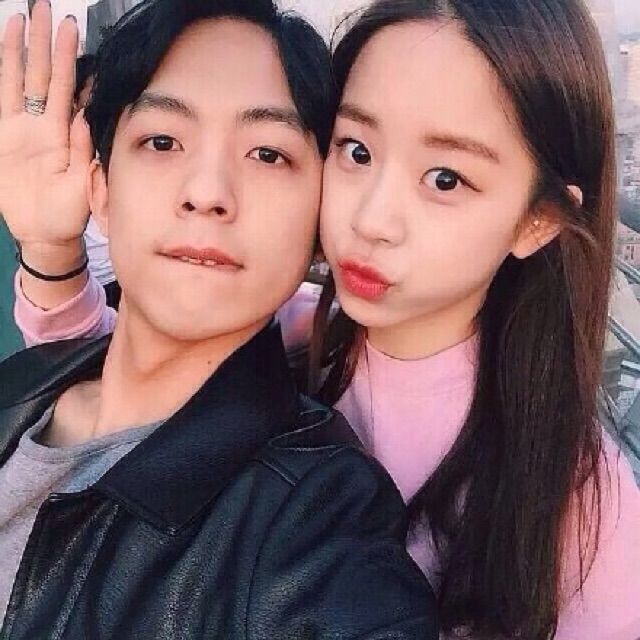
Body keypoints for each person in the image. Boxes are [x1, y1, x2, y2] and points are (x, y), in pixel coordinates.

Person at [8, 0, 640, 638]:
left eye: (446, 179)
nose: (372, 219)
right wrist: (51, 250)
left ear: (538, 219)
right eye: (357, 151)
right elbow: (125, 390)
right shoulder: (293, 336)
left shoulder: (588, 502)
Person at [0, 1, 439, 637]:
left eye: (267, 154)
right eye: (162, 142)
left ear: (321, 215)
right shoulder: (25, 389)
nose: (207, 192)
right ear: (101, 188)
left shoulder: (314, 516)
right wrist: (47, 250)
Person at [74, 53, 121, 308]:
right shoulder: (61, 156)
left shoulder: (122, 139)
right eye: (94, 93)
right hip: (86, 283)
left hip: (120, 276)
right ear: (75, 100)